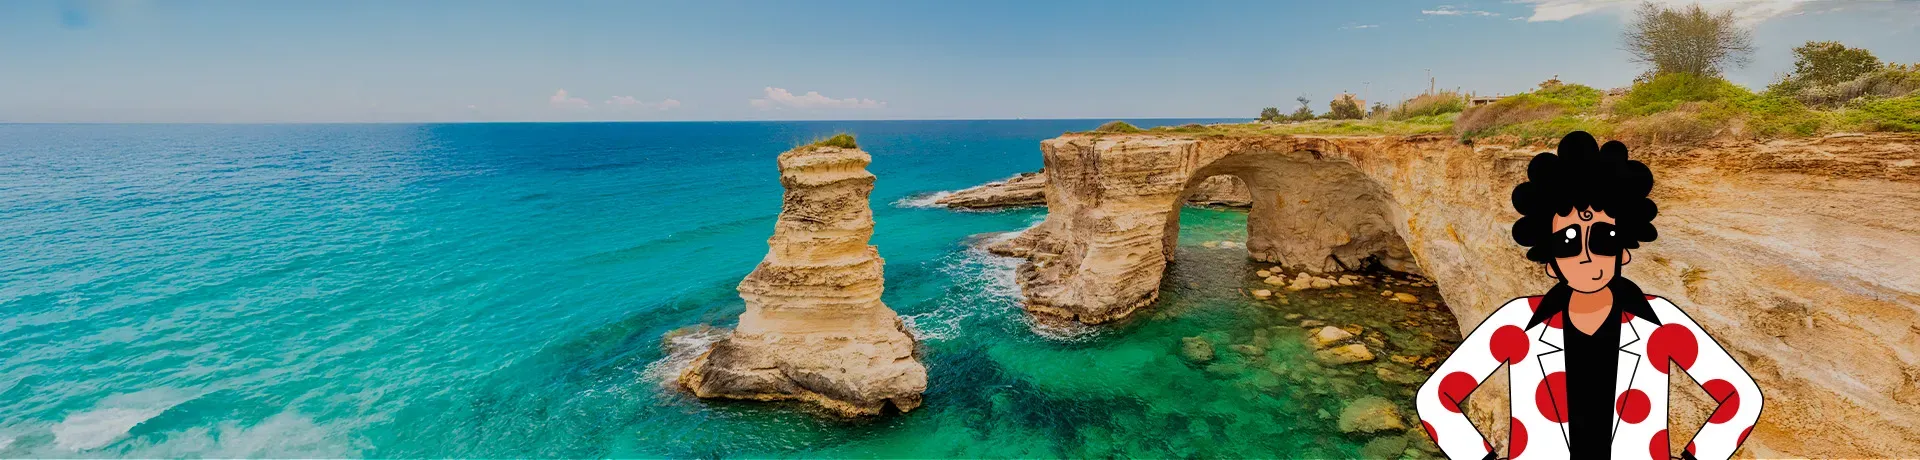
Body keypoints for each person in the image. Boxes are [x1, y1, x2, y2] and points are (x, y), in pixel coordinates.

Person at [1414, 132, 1763, 460]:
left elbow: (1741, 398)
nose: (1585, 254)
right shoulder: (1518, 322)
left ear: (1623, 251)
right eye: (1567, 242)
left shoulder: (1661, 322)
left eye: (1603, 238)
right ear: (1550, 262)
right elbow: (1436, 398)